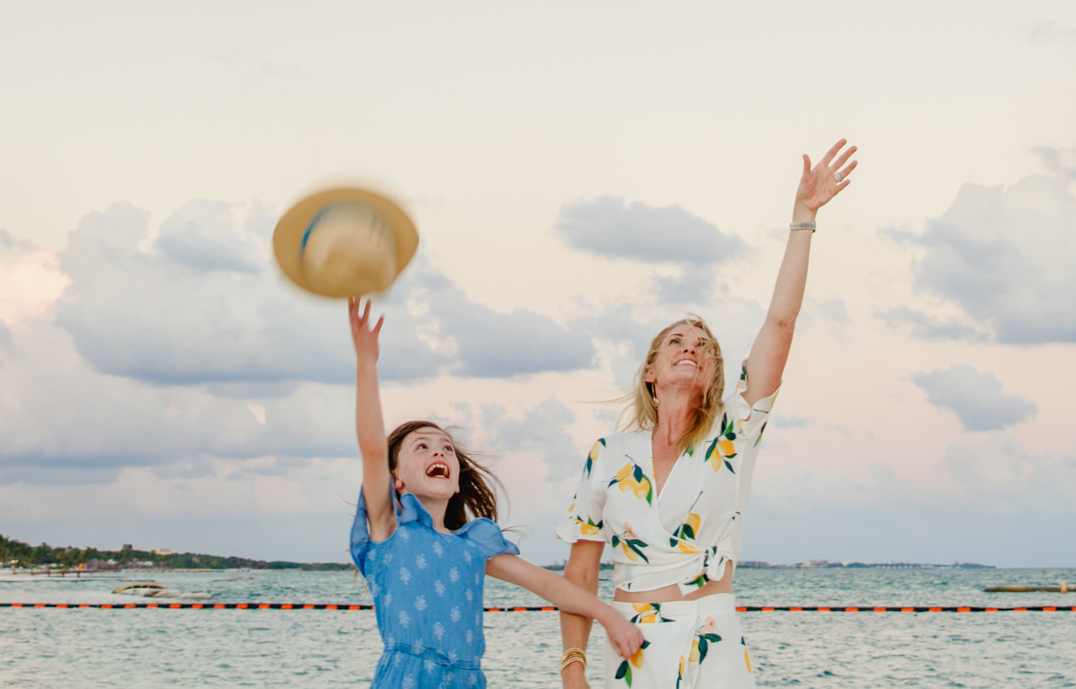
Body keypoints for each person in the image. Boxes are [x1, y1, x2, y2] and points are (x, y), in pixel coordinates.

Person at [554, 140, 858, 688]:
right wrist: (572, 668)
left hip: (711, 637)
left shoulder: (734, 431)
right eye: (676, 340)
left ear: (715, 372)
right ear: (651, 370)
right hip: (631, 642)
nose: (690, 346)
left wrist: (803, 220)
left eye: (702, 343)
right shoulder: (607, 454)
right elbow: (580, 572)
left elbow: (780, 324)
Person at [349, 298, 644, 688]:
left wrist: (609, 616)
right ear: (395, 480)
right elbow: (371, 445)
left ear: (456, 482)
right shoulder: (389, 531)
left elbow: (551, 586)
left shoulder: (473, 545)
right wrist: (367, 362)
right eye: (421, 446)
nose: (438, 450)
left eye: (446, 448)